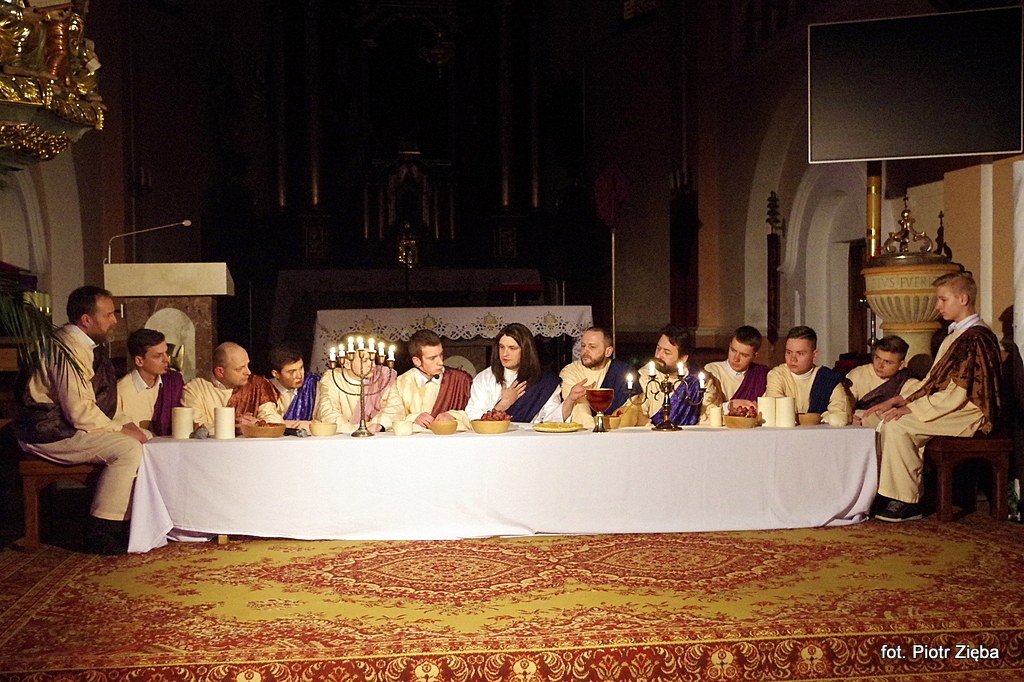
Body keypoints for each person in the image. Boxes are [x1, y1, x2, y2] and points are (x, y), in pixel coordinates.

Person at [15, 286, 148, 555]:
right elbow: (80, 412)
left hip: (67, 425)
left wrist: (127, 424)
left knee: (147, 440)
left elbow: (100, 401)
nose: (114, 320)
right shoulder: (68, 348)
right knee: (128, 449)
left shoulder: (85, 345)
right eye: (109, 314)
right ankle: (102, 530)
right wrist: (122, 431)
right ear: (86, 320)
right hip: (48, 431)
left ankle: (137, 521)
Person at [862, 272, 1002, 522]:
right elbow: (934, 380)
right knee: (875, 417)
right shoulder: (956, 335)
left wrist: (914, 409)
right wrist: (900, 400)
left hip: (969, 411)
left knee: (897, 425)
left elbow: (959, 392)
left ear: (963, 299)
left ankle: (907, 501)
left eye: (942, 299)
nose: (937, 306)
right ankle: (885, 490)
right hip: (949, 405)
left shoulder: (975, 337)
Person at [466, 323, 576, 424]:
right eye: (501, 347)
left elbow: (552, 421)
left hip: (531, 436)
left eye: (512, 348)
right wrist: (503, 404)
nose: (504, 354)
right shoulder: (485, 378)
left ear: (526, 350)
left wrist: (570, 399)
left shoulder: (544, 381)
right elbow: (473, 417)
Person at [378, 330, 473, 432]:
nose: (440, 362)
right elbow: (392, 413)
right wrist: (413, 418)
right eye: (432, 358)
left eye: (441, 355)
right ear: (417, 361)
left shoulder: (461, 380)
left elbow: (476, 412)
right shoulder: (402, 382)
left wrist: (454, 415)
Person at [181, 342, 279, 433]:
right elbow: (197, 427)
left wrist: (256, 425)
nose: (248, 372)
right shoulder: (195, 389)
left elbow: (274, 420)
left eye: (247, 365)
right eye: (240, 368)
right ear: (220, 371)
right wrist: (233, 426)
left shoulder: (257, 385)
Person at [765, 325, 852, 421]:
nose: (793, 359)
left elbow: (840, 414)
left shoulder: (828, 379)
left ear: (814, 355)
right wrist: (819, 417)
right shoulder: (777, 375)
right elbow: (776, 408)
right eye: (789, 352)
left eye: (800, 353)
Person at [314, 338, 396, 433]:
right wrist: (355, 430)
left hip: (376, 435)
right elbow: (328, 411)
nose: (372, 365)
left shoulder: (382, 376)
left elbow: (394, 407)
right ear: (347, 364)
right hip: (343, 437)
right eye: (365, 361)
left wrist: (379, 425)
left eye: (372, 359)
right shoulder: (333, 377)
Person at [558, 327, 635, 428]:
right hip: (585, 432)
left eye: (592, 347)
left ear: (608, 351)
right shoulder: (571, 371)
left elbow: (632, 406)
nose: (585, 351)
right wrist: (593, 432)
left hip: (619, 432)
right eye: (583, 346)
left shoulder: (622, 371)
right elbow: (578, 408)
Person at [116, 328, 184, 438]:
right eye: (158, 356)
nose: (166, 359)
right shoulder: (120, 391)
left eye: (166, 353)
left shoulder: (173, 382)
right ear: (139, 361)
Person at [636, 324, 703, 427]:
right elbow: (638, 415)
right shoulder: (644, 376)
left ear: (683, 358)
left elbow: (709, 417)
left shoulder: (698, 379)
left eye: (667, 353)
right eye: (658, 349)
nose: (658, 355)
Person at [703, 325, 770, 417]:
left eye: (744, 355)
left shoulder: (762, 375)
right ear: (730, 345)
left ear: (755, 356)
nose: (736, 358)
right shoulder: (712, 371)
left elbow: (767, 409)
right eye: (733, 350)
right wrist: (730, 405)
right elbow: (706, 409)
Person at [848, 335, 912, 421]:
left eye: (887, 362)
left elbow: (918, 396)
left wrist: (892, 402)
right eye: (877, 358)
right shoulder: (859, 374)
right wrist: (849, 416)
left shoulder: (906, 380)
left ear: (901, 365)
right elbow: (843, 401)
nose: (880, 365)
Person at [264, 343, 319, 430]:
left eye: (301, 368)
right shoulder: (265, 389)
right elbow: (266, 421)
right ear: (276, 374)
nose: (299, 375)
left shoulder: (312, 385)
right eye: (291, 371)